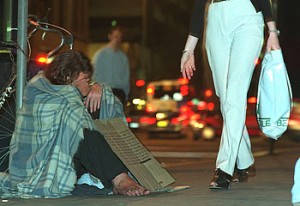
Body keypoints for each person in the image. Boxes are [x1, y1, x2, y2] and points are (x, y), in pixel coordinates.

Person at [0, 50, 150, 198]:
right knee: (87, 135)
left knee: (97, 110)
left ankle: (113, 174)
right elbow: (81, 125)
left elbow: (102, 111)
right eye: (86, 79)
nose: (88, 84)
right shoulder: (42, 91)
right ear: (67, 77)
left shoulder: (66, 91)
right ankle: (120, 180)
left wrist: (99, 88)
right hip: (41, 165)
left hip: (65, 157)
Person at [181, 0, 281, 189]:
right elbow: (199, 4)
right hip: (216, 15)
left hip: (247, 17)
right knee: (225, 97)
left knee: (234, 96)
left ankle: (225, 168)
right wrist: (189, 49)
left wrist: (272, 31)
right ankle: (244, 159)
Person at [92, 26, 130, 106]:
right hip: (104, 93)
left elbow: (126, 77)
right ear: (110, 36)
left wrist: (126, 95)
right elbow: (94, 74)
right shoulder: (100, 54)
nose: (117, 39)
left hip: (119, 93)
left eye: (120, 37)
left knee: (117, 118)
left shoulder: (123, 57)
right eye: (115, 36)